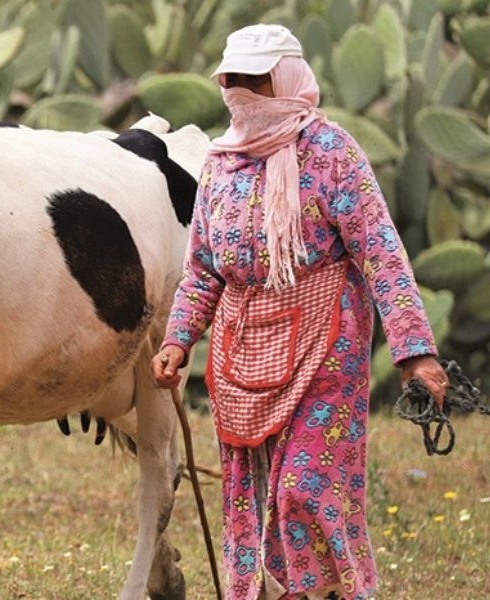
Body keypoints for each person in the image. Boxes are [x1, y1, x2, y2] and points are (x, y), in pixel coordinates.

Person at [150, 24, 449, 600]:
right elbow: (204, 269)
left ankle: (326, 592)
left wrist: (415, 353)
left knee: (303, 490)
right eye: (232, 80)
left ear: (285, 79)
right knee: (251, 492)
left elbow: (380, 251)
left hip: (325, 344)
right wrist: (178, 340)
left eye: (255, 80)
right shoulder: (221, 164)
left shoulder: (332, 153)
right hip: (242, 350)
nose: (242, 93)